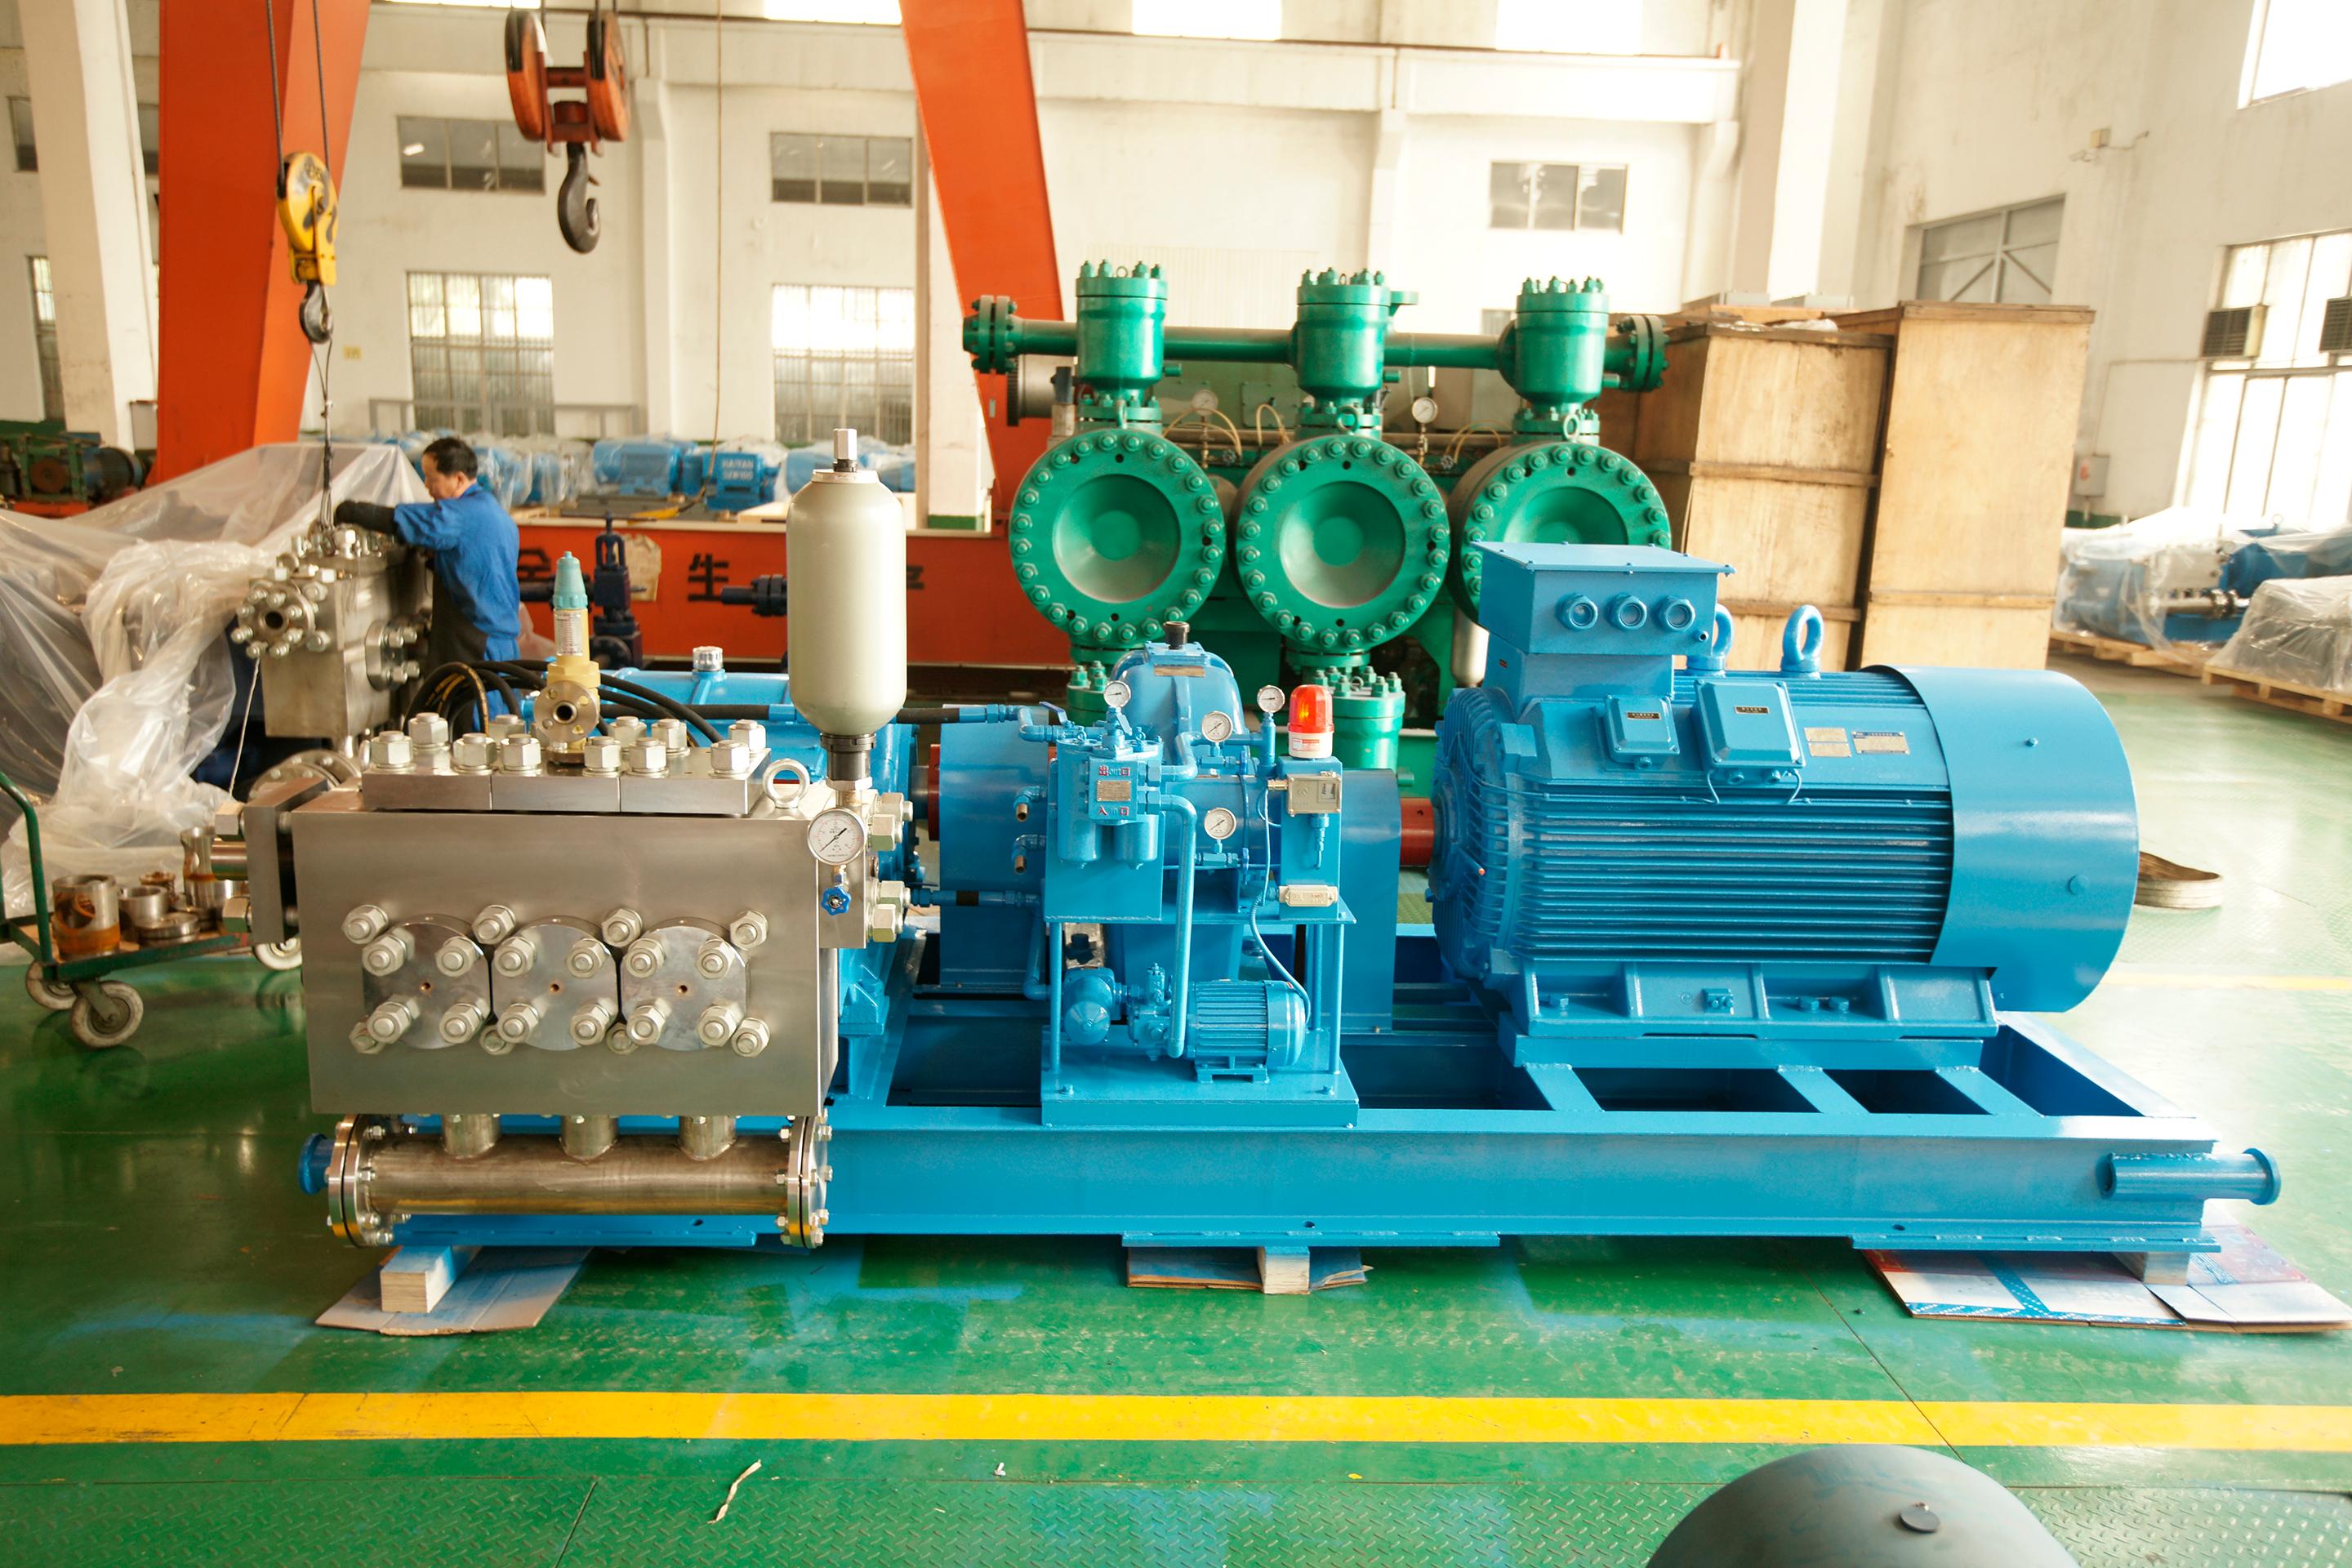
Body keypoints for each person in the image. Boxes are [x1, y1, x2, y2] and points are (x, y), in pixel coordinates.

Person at [335, 435, 522, 668]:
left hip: (477, 643)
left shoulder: (460, 515)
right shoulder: (494, 510)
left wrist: (348, 511)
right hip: (499, 641)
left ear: (458, 479)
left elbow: (402, 521)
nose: (426, 485)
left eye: (432, 478)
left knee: (470, 691)